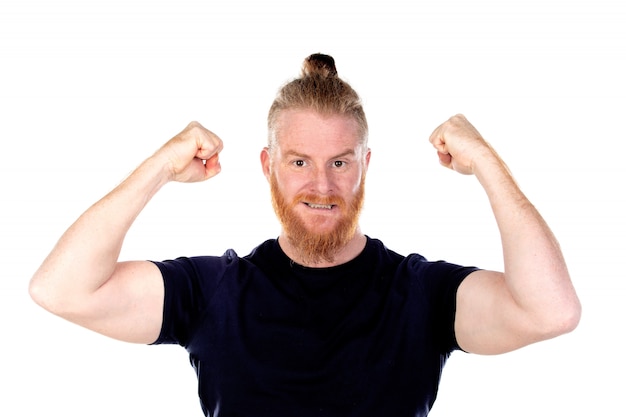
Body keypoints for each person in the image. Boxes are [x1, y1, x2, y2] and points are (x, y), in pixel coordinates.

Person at [29, 53, 581, 417]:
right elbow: (62, 289)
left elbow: (551, 311)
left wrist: (485, 161)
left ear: (367, 164)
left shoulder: (421, 296)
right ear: (268, 165)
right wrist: (159, 167)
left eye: (340, 163)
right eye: (299, 161)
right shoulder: (214, 291)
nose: (321, 184)